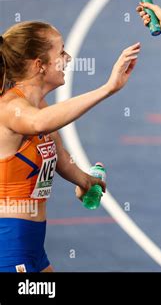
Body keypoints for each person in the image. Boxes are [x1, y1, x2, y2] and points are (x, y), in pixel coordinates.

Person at [0, 21, 140, 272]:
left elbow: (59, 156)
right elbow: (39, 124)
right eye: (61, 52)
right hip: (8, 249)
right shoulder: (11, 109)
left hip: (33, 249)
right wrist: (108, 88)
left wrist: (85, 181)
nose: (68, 58)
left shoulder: (39, 106)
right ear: (39, 65)